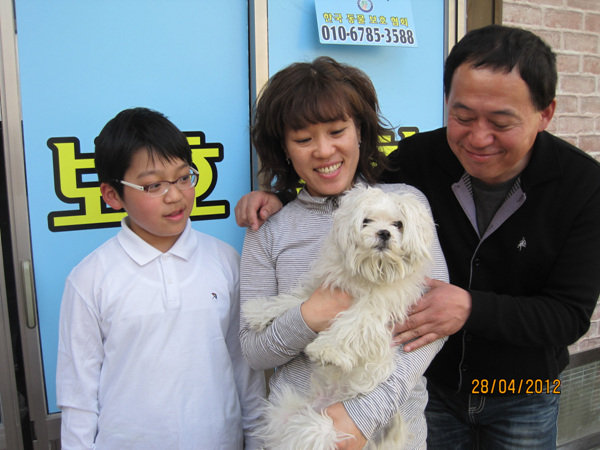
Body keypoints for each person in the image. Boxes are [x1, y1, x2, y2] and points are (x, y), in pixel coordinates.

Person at [235, 25, 600, 449]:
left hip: (520, 388)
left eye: (501, 122)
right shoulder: (417, 160)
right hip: (430, 395)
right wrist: (280, 198)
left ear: (545, 114)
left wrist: (470, 307)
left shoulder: (583, 186)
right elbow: (341, 191)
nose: (478, 137)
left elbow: (569, 315)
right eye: (463, 117)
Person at [239, 56, 449, 449]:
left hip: (393, 436)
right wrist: (309, 315)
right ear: (284, 148)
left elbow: (433, 325)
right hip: (299, 434)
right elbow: (254, 351)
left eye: (337, 131)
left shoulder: (406, 205)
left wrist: (362, 416)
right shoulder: (268, 229)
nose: (323, 150)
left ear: (361, 132)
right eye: (304, 139)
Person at [56, 107, 265, 449]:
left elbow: (245, 369)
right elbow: (78, 397)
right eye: (153, 185)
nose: (175, 195)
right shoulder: (90, 279)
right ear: (112, 195)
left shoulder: (225, 261)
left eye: (183, 178)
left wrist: (256, 439)